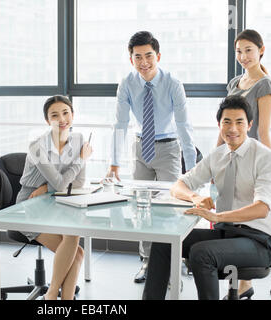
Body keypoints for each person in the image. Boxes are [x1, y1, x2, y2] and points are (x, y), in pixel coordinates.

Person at [143, 95, 271, 300]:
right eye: (227, 122)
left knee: (201, 253)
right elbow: (178, 185)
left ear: (249, 125)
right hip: (227, 233)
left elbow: (262, 208)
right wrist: (194, 197)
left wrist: (218, 217)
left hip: (259, 240)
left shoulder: (265, 157)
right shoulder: (218, 155)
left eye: (239, 122)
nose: (232, 128)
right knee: (164, 242)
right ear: (219, 125)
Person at [105, 31, 197, 283]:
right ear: (130, 59)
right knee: (140, 208)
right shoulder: (127, 83)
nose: (143, 62)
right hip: (140, 149)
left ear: (158, 56)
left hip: (168, 149)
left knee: (170, 208)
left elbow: (184, 127)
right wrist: (114, 163)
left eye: (148, 56)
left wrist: (192, 169)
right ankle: (147, 262)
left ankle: (173, 262)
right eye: (138, 57)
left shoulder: (172, 84)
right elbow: (120, 124)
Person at [218, 29, 271, 298]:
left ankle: (253, 282)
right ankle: (253, 282)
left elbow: (263, 131)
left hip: (253, 162)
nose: (243, 56)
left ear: (261, 50)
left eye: (249, 50)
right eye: (238, 51)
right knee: (235, 222)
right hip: (232, 161)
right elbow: (223, 127)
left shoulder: (265, 85)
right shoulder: (234, 83)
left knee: (247, 222)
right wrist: (215, 158)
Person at [16, 95, 93, 300]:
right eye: (55, 115)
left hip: (55, 201)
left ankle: (64, 300)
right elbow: (61, 184)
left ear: (73, 115)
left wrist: (47, 187)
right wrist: (80, 160)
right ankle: (52, 295)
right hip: (29, 206)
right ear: (47, 120)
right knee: (75, 247)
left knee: (78, 249)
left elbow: (77, 184)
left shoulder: (78, 141)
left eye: (66, 113)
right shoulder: (37, 146)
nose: (62, 119)